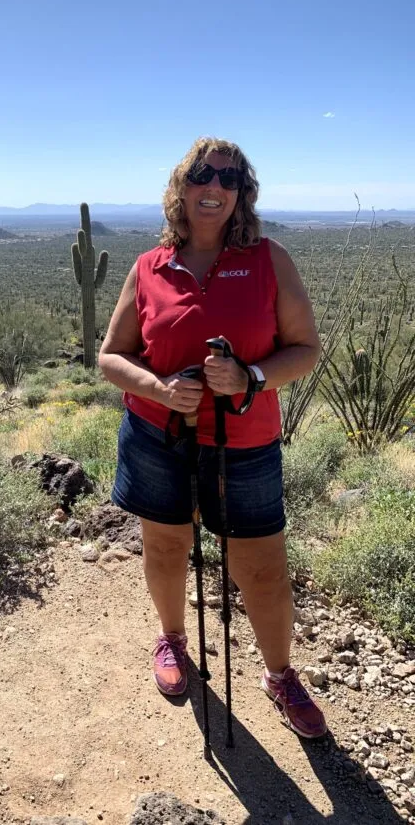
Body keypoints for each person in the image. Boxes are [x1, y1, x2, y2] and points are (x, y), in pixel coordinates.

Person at [98, 136, 327, 739]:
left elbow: (306, 349)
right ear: (183, 185)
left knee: (262, 567)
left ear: (242, 194)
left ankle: (280, 675)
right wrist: (160, 387)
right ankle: (171, 639)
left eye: (230, 178)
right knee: (167, 547)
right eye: (204, 174)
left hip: (244, 441)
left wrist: (250, 376)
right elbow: (111, 357)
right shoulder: (149, 267)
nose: (216, 187)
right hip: (159, 437)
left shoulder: (268, 259)